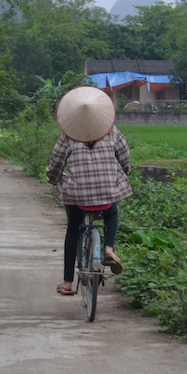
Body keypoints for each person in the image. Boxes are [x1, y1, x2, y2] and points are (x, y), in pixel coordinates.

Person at [45, 86, 130, 297]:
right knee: (111, 212)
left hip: (76, 196)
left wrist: (53, 179)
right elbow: (125, 159)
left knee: (73, 228)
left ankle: (67, 282)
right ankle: (109, 248)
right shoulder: (112, 132)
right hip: (106, 192)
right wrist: (122, 173)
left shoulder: (68, 137)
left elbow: (55, 165)